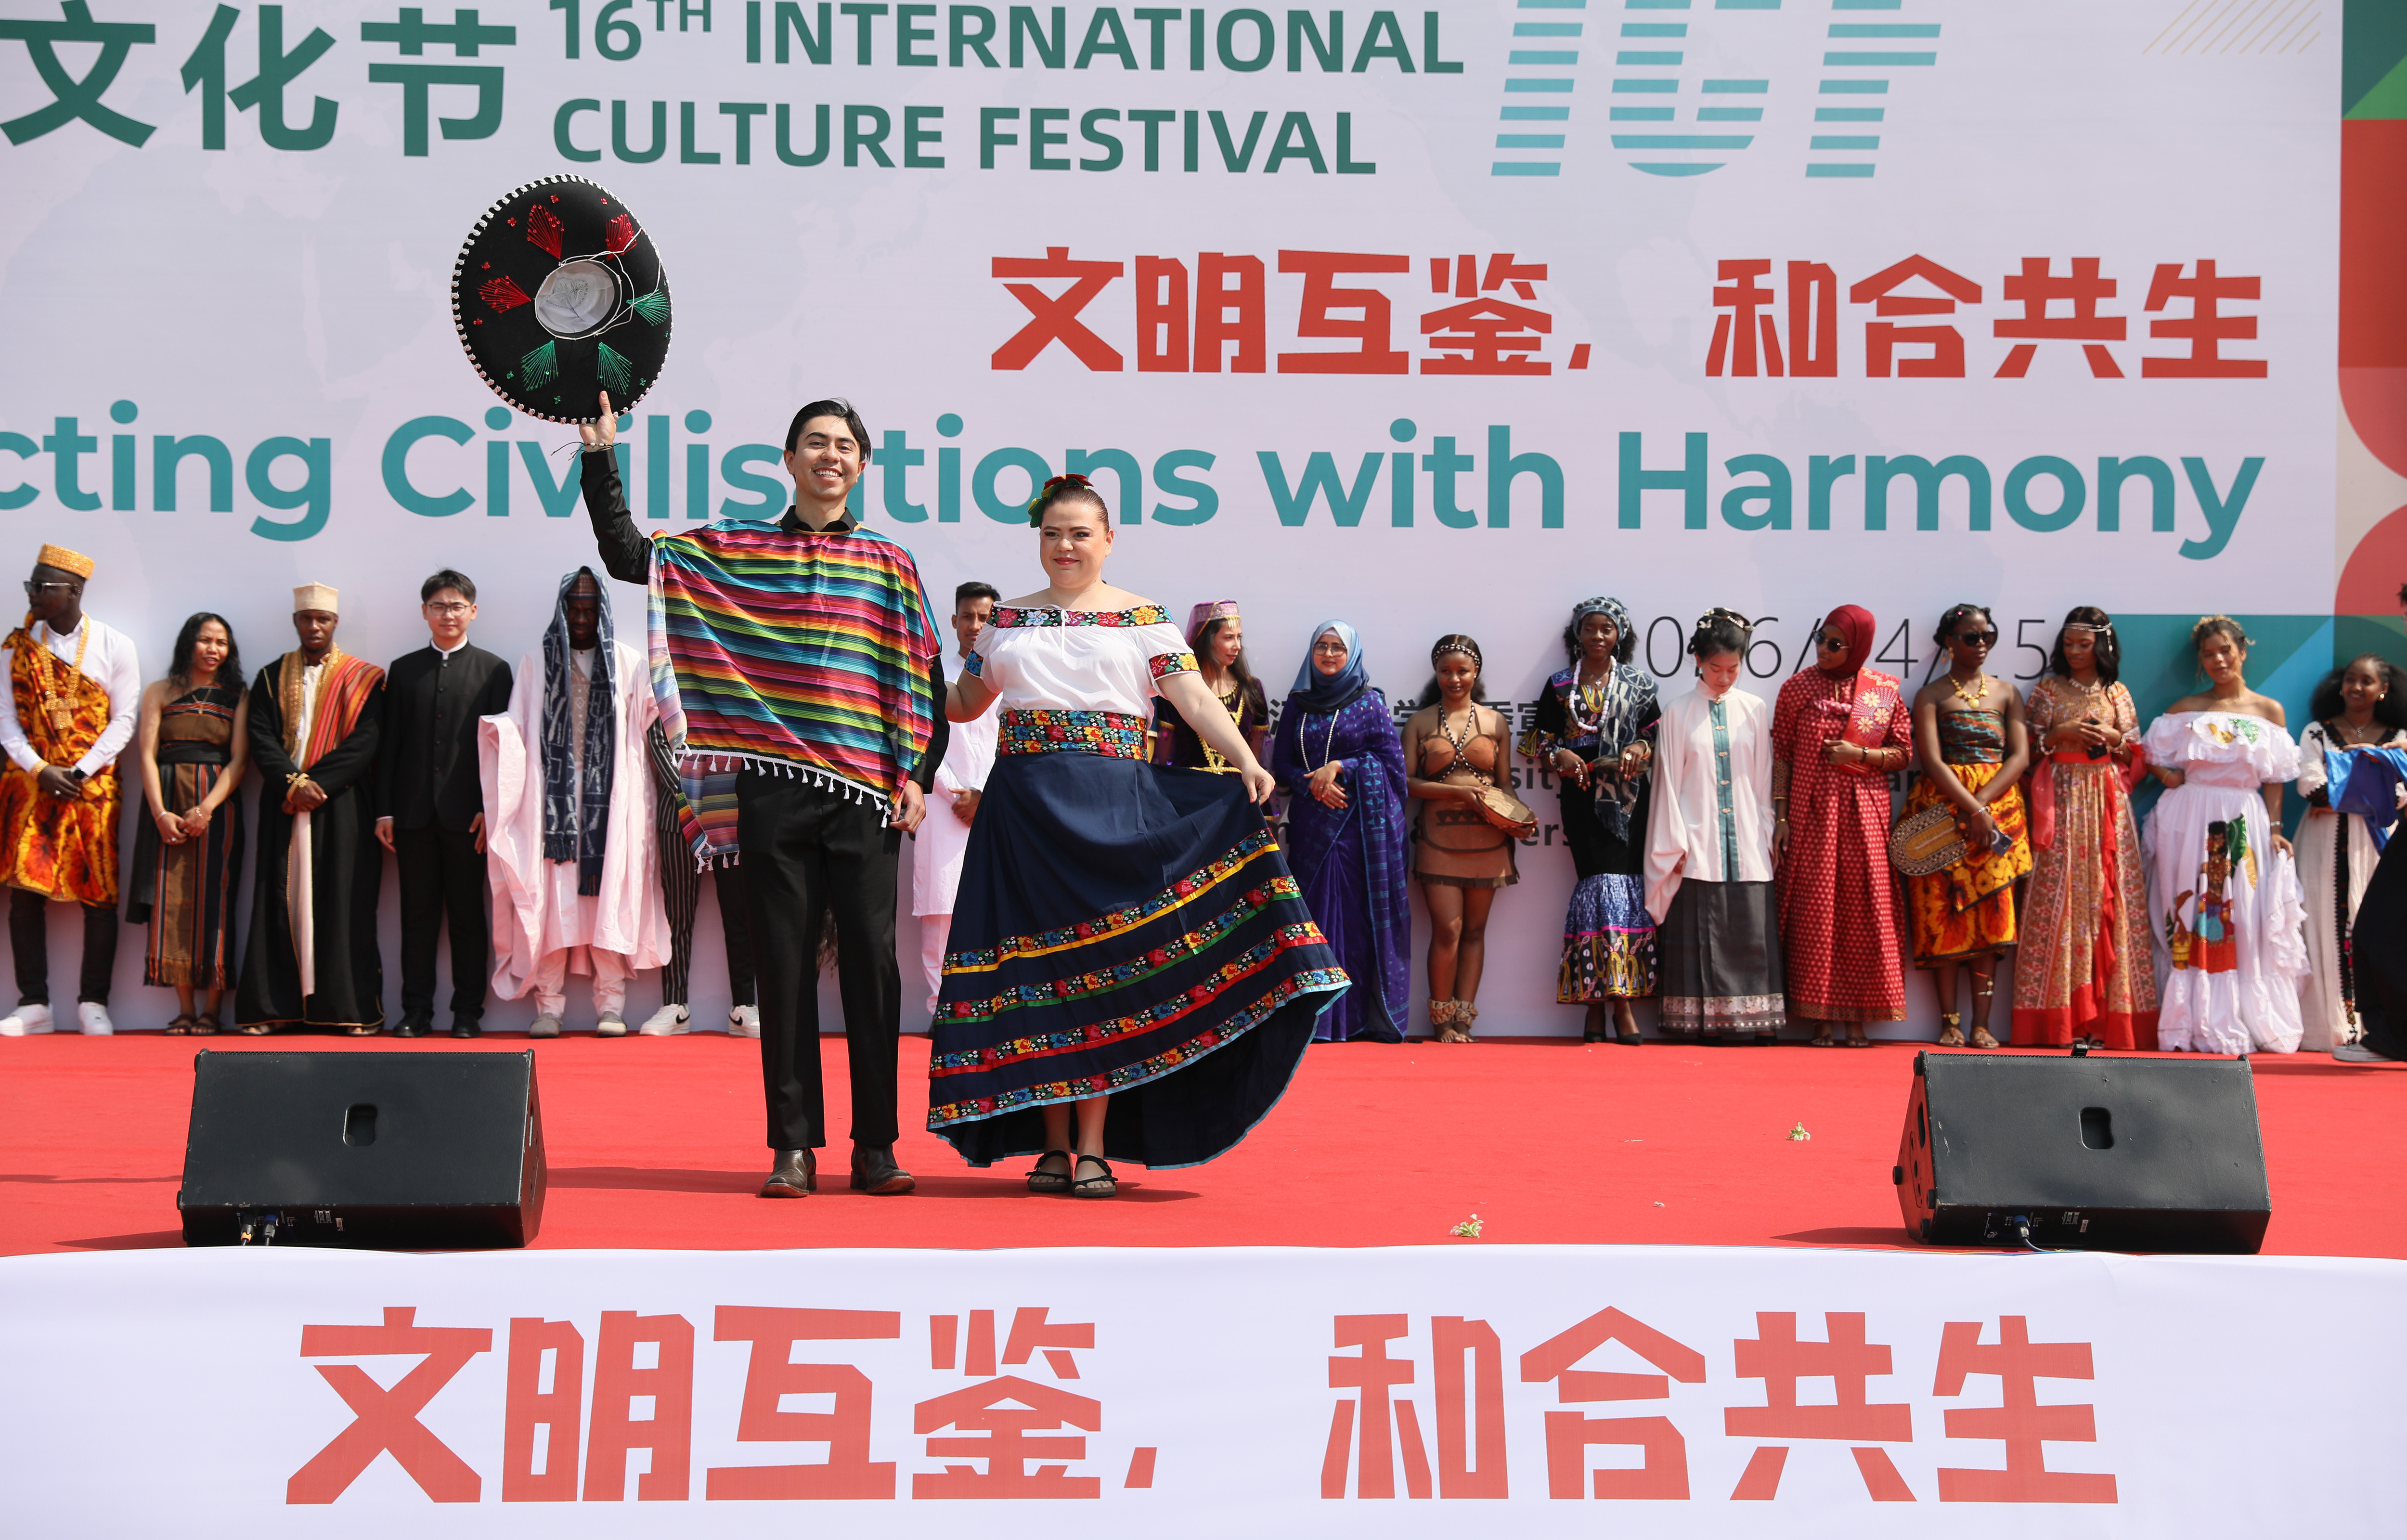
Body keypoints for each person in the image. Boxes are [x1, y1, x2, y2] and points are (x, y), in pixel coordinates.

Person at [930, 474, 1345, 1198]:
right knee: (1038, 977)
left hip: (1112, 810)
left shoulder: (1142, 617)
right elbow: (965, 702)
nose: (1064, 546)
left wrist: (1246, 760)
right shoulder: (1005, 620)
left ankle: (1093, 1146)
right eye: (1052, 533)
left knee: (1104, 974)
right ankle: (1051, 1145)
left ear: (1108, 539)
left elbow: (1193, 700)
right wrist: (899, 666)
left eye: (1079, 533)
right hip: (1022, 816)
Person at [580, 392, 946, 1200]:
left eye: (844, 445)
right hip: (773, 786)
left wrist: (918, 772)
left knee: (873, 969)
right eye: (815, 442)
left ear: (863, 464)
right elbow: (631, 555)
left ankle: (877, 1145)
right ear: (787, 459)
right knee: (781, 967)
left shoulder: (888, 561)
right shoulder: (735, 548)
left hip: (866, 792)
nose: (830, 455)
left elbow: (923, 677)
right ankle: (793, 1147)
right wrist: (601, 456)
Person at [481, 569, 668, 1037]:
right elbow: (519, 728)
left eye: (589, 610)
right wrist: (497, 734)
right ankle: (548, 1008)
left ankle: (611, 1007)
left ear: (601, 611)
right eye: (574, 609)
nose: (581, 618)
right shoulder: (536, 663)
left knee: (607, 901)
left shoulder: (627, 662)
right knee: (552, 906)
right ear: (561, 612)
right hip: (552, 805)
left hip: (613, 802)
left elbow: (654, 723)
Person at [2141, 616, 2307, 1055]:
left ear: (2242, 652)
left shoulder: (2269, 711)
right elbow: (2149, 753)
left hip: (2243, 819)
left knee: (2243, 914)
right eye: (2208, 654)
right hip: (2189, 819)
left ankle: (2241, 1014)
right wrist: (2169, 777)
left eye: (2225, 651)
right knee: (2188, 910)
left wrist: (2276, 829)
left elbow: (2276, 777)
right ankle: (2186, 1015)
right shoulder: (2186, 708)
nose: (2218, 660)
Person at [0, 545, 139, 1038]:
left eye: (43, 586)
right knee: (24, 893)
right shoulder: (16, 648)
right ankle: (34, 1004)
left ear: (74, 590)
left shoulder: (114, 644)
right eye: (31, 585)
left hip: (92, 787)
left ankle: (94, 1003)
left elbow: (124, 720)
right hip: (31, 782)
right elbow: (6, 719)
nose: (34, 594)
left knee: (99, 893)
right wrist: (40, 769)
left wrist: (78, 773)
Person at [234, 585, 386, 1035]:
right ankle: (273, 1008)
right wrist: (292, 783)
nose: (314, 626)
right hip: (283, 801)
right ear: (296, 621)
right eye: (307, 618)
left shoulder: (365, 678)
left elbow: (367, 740)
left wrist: (316, 783)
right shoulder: (269, 676)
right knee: (276, 902)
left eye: (323, 618)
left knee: (345, 904)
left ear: (335, 622)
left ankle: (348, 1010)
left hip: (342, 804)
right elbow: (261, 736)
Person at [2010, 609, 2158, 1049]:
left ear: (2103, 645)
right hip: (2060, 798)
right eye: (2069, 643)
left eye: (2084, 644)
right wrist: (2060, 734)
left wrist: (2112, 738)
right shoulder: (2048, 690)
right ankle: (2057, 1019)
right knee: (2059, 896)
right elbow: (2025, 754)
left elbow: (2136, 754)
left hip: (2108, 803)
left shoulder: (2117, 691)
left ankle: (2111, 1021)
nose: (2075, 651)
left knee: (2109, 898)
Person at [376, 570, 512, 1038]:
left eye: (456, 606)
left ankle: (467, 1013)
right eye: (438, 606)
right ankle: (415, 1012)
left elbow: (502, 750)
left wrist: (490, 808)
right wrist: (385, 810)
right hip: (412, 817)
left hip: (469, 818)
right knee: (416, 919)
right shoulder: (403, 670)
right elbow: (390, 745)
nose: (447, 614)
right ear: (424, 612)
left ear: (473, 611)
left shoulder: (494, 670)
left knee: (468, 918)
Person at [1519, 597, 1659, 1044]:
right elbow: (1537, 738)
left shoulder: (1638, 682)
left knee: (1623, 887)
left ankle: (1616, 1004)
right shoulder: (1561, 684)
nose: (1598, 636)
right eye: (1589, 628)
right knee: (1596, 887)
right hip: (1580, 795)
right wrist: (1558, 753)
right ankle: (1601, 1003)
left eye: (1606, 628)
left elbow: (1656, 734)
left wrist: (1638, 748)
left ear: (1620, 635)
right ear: (1576, 634)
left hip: (1627, 799)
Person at [1643, 610, 1786, 1045]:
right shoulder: (1677, 712)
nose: (1724, 678)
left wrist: (1765, 835)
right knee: (1700, 933)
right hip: (1695, 844)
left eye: (1733, 669)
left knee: (1750, 932)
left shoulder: (1754, 709)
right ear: (1698, 661)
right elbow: (1667, 786)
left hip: (1748, 843)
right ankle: (1700, 1023)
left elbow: (1763, 781)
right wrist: (1675, 841)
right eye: (1715, 668)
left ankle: (1757, 1022)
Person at [1773, 604, 1911, 1047]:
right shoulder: (1797, 688)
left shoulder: (1881, 691)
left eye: (1836, 644)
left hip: (1865, 816)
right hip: (1811, 816)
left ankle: (1859, 1018)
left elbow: (1903, 753)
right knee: (1815, 910)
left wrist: (1860, 755)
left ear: (1859, 648)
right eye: (1821, 639)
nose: (1824, 649)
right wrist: (1781, 816)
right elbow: (1782, 756)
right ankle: (1820, 1018)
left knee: (1863, 912)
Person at [1269, 620, 1411, 1043]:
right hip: (1311, 826)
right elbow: (1282, 765)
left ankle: (1351, 1019)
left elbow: (1392, 767)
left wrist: (1340, 767)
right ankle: (1313, 1019)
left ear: (1352, 655)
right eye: (1322, 646)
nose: (1329, 654)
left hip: (1357, 830)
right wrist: (1313, 782)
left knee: (1352, 920)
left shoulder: (1370, 703)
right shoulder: (1298, 704)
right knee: (1311, 915)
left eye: (1338, 648)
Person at [1902, 604, 2032, 1048]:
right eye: (1970, 637)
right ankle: (1949, 1021)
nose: (1981, 645)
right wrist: (1971, 809)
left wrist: (1982, 808)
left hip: (1997, 815)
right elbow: (1932, 760)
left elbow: (2020, 757)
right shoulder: (1931, 695)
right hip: (1943, 815)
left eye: (1987, 636)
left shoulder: (2008, 693)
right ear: (1949, 642)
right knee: (1943, 915)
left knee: (1991, 919)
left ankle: (1982, 1024)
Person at [127, 614, 249, 1034]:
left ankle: (212, 1008)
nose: (214, 649)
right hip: (167, 804)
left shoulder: (237, 695)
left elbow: (240, 760)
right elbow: (146, 755)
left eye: (221, 642)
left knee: (216, 900)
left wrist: (207, 808)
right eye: (205, 640)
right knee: (172, 900)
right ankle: (184, 1008)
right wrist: (161, 813)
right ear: (188, 643)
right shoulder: (159, 691)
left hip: (217, 809)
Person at [1402, 635, 1515, 1043]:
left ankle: (1464, 1018)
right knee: (1448, 930)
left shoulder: (1496, 722)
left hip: (1489, 838)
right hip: (1437, 839)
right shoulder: (1419, 722)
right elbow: (1406, 783)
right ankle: (1441, 1017)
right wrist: (1459, 792)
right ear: (1436, 673)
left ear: (1476, 672)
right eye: (1446, 671)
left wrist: (1519, 817)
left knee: (1475, 932)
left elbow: (1504, 784)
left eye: (1462, 671)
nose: (1454, 679)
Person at [2292, 653, 2407, 1051]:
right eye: (2350, 679)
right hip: (2322, 842)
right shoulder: (2317, 732)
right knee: (2321, 921)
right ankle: (2328, 1026)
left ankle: (2379, 1028)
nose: (2356, 687)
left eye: (2366, 681)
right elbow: (2311, 786)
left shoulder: (2400, 737)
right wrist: (2371, 789)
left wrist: (2346, 789)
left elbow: (2400, 794)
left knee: (2374, 925)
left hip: (2377, 842)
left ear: (2384, 689)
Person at [912, 581, 999, 1018]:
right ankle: (940, 1011)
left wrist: (986, 795)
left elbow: (1011, 744)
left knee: (993, 909)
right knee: (941, 912)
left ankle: (984, 1011)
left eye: (985, 617)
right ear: (954, 621)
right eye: (968, 616)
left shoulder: (1007, 677)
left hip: (997, 807)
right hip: (942, 807)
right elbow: (926, 741)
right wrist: (956, 793)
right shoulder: (933, 676)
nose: (976, 625)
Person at [640, 722, 758, 1035]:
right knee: (677, 914)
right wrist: (686, 796)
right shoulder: (667, 692)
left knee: (739, 911)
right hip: (676, 816)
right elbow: (658, 739)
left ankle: (744, 1005)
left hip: (729, 813)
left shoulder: (729, 693)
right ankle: (675, 1005)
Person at [1154, 601, 1268, 771]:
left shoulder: (1251, 688)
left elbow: (1257, 759)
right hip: (1190, 785)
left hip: (1238, 787)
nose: (1238, 646)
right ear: (1206, 640)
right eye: (1229, 638)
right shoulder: (1179, 687)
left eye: (1239, 637)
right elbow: (1162, 755)